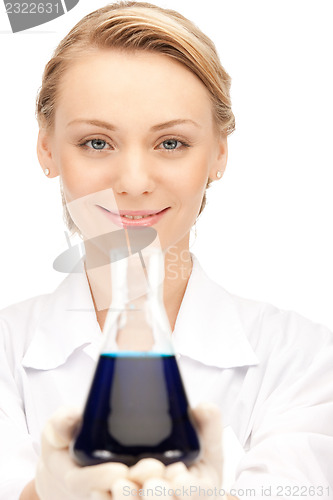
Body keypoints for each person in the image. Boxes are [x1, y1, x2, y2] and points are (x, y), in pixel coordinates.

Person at [0, 1, 332, 499]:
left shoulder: (302, 358)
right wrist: (39, 494)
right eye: (96, 142)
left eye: (171, 143)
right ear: (46, 146)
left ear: (219, 152)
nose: (133, 182)